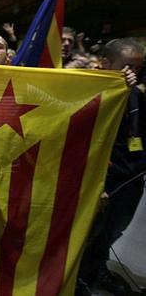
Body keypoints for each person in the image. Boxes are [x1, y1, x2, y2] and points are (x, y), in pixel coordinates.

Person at [77, 38, 145, 295]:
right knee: (90, 231)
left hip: (130, 177)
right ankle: (78, 276)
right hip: (100, 177)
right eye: (127, 66)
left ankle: (98, 268)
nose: (133, 73)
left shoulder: (137, 93)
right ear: (104, 64)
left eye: (138, 68)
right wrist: (95, 182)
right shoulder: (89, 91)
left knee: (115, 228)